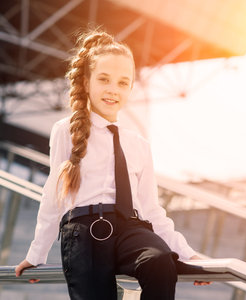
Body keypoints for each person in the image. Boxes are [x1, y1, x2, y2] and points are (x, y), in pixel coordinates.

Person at [15, 29, 210, 300]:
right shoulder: (65, 131)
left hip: (131, 229)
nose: (112, 89)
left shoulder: (139, 145)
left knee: (160, 260)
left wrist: (189, 254)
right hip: (83, 234)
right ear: (86, 83)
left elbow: (152, 210)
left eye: (122, 82)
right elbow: (53, 196)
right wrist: (36, 254)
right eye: (104, 79)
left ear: (130, 88)